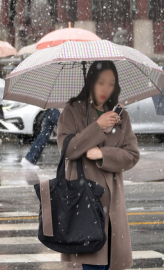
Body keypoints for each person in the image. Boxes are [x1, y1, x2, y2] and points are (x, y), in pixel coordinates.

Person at [57, 60, 139, 270]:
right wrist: (97, 127)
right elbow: (68, 149)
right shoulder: (72, 110)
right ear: (90, 81)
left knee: (111, 260)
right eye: (101, 82)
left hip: (112, 203)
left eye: (111, 83)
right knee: (89, 262)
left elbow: (131, 155)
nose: (106, 88)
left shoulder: (120, 115)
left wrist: (103, 154)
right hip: (82, 199)